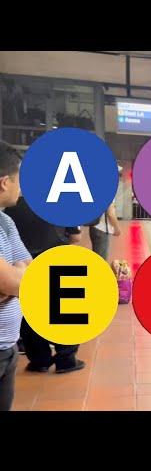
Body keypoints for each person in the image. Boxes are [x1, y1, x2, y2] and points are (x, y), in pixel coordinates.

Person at [4, 196, 85, 374]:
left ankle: (40, 359)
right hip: (55, 256)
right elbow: (76, 237)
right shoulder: (65, 201)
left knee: (30, 312)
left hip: (24, 263)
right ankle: (66, 359)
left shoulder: (12, 203)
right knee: (65, 310)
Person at [0, 141, 33, 411]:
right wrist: (13, 280)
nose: (21, 189)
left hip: (8, 347)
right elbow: (13, 281)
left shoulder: (6, 221)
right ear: (3, 183)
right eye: (18, 181)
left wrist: (13, 280)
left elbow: (28, 272)